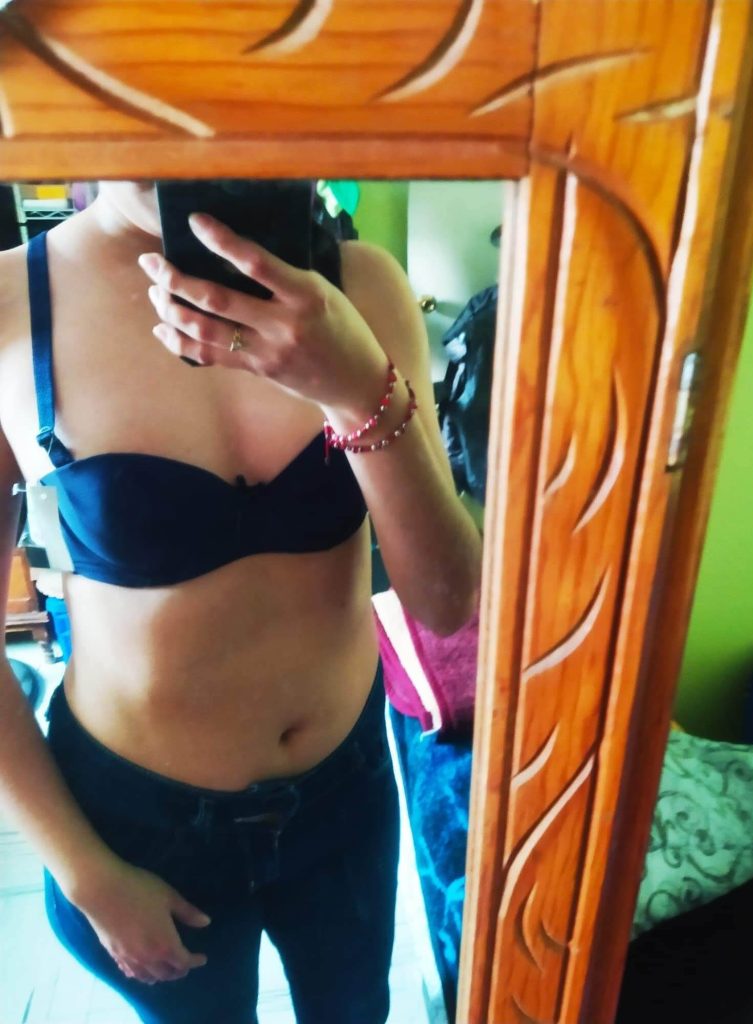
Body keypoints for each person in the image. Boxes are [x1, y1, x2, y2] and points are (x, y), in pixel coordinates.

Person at [0, 181, 481, 1024]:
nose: (189, 153)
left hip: (345, 792)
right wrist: (86, 874)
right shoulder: (12, 304)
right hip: (137, 825)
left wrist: (355, 387)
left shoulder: (362, 285)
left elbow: (446, 604)